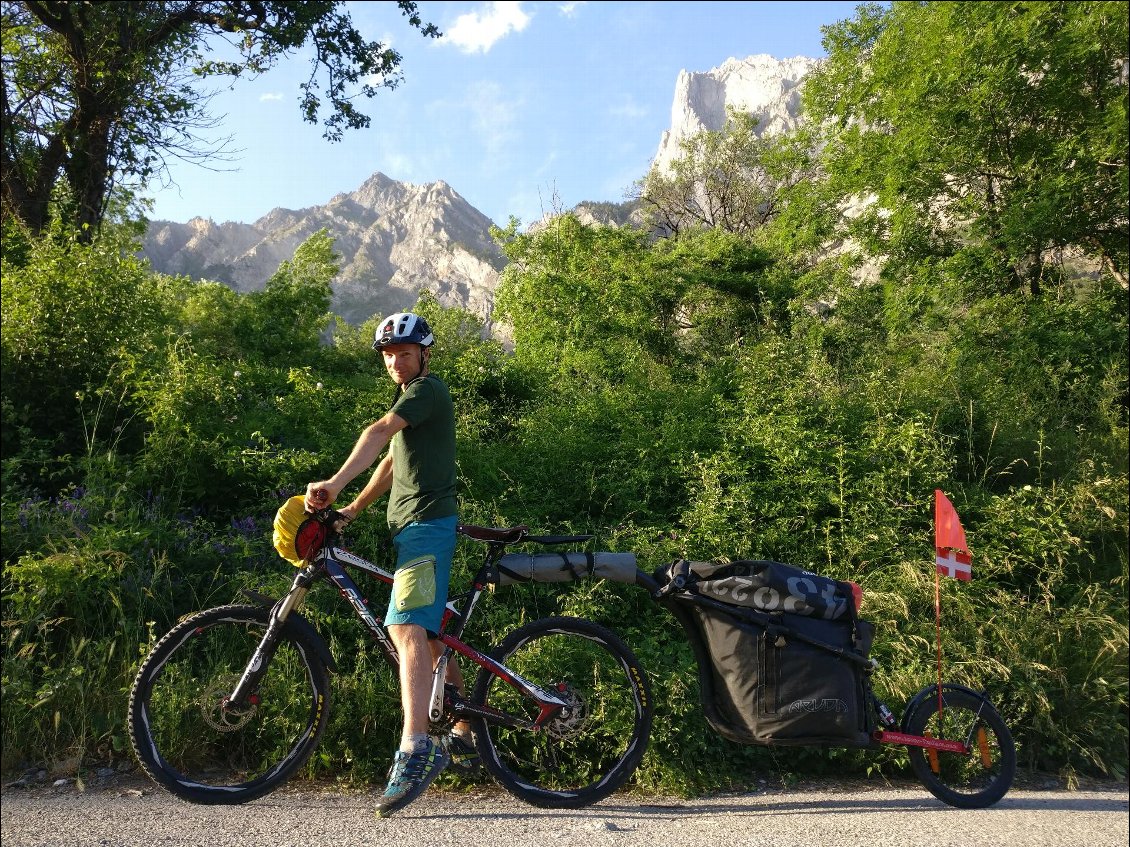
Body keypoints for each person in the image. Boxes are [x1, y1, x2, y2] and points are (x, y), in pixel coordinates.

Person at [304, 311, 474, 818]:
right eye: (388, 356)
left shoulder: (427, 392)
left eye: (404, 353)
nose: (396, 362)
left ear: (423, 353)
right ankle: (465, 729)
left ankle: (416, 748)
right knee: (432, 633)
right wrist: (354, 507)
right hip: (412, 531)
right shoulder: (411, 403)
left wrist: (334, 484)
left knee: (404, 628)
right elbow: (394, 460)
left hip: (426, 530)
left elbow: (379, 432)